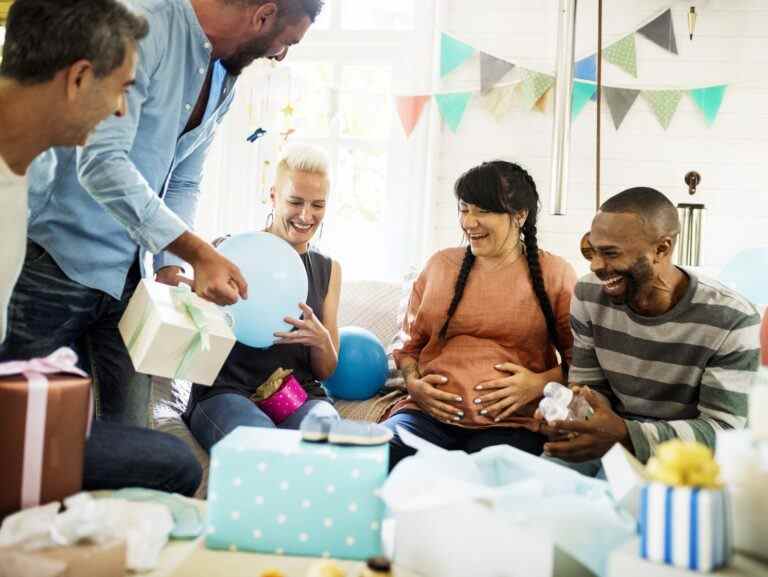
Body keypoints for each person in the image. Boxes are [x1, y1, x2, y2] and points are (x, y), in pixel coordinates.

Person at [1, 0, 324, 428]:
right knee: (18, 426)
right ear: (262, 16)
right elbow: (101, 161)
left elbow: (183, 180)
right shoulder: (143, 26)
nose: (280, 54)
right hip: (55, 263)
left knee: (133, 434)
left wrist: (173, 265)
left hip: (129, 279)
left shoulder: (224, 77)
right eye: (286, 41)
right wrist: (198, 252)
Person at [0, 0, 200, 496]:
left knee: (170, 459)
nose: (119, 111)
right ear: (79, 79)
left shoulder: (30, 178)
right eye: (123, 89)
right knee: (173, 464)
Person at [541, 187, 760, 474]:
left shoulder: (732, 319)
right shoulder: (588, 294)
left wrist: (625, 435)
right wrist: (572, 414)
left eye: (610, 253)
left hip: (685, 459)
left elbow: (722, 432)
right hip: (611, 435)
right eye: (593, 251)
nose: (595, 266)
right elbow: (591, 388)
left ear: (661, 249)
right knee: (537, 490)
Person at [383, 160, 578, 468]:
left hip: (511, 424)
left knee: (486, 479)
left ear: (520, 215)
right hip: (426, 417)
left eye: (482, 211)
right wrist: (413, 384)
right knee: (379, 456)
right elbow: (409, 348)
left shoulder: (555, 274)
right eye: (464, 209)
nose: (469, 222)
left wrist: (538, 383)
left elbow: (580, 362)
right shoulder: (440, 266)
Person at [184, 144, 342, 451]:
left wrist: (321, 340)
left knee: (328, 438)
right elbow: (195, 344)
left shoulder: (329, 269)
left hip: (299, 394)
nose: (306, 216)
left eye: (318, 205)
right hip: (226, 391)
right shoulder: (228, 250)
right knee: (261, 445)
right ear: (273, 196)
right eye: (295, 202)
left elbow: (325, 371)